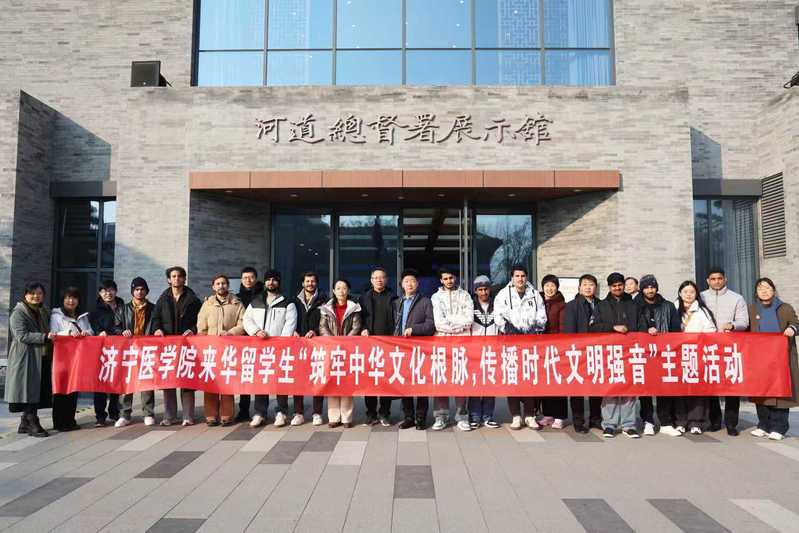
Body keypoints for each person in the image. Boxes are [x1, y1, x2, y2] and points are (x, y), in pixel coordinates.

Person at [493, 264, 547, 430]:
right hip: (511, 342)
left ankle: (530, 415)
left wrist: (534, 328)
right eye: (517, 276)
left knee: (529, 378)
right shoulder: (503, 294)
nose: (520, 279)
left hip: (530, 342)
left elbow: (542, 316)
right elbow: (498, 316)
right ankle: (516, 415)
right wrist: (509, 330)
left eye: (523, 276)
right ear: (512, 277)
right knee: (513, 378)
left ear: (526, 277)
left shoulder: (534, 294)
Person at [243, 269, 297, 428]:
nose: (271, 282)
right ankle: (260, 413)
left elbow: (290, 324)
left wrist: (281, 342)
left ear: (279, 282)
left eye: (274, 280)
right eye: (268, 280)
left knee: (280, 380)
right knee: (261, 380)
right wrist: (256, 331)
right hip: (260, 348)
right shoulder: (256, 301)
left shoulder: (287, 302)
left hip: (280, 349)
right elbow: (247, 320)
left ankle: (281, 412)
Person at [748, 277, 799, 440]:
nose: (764, 291)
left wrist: (792, 328)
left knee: (780, 393)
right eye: (760, 288)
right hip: (760, 359)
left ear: (774, 290)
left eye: (767, 288)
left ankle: (779, 427)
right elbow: (746, 329)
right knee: (762, 391)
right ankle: (763, 425)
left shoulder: (785, 308)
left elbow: (796, 323)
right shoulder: (752, 309)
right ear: (756, 292)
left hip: (781, 358)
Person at [701, 267, 749, 436]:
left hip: (729, 347)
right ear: (708, 281)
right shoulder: (701, 297)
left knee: (731, 386)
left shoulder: (737, 298)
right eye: (713, 279)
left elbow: (744, 321)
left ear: (725, 279)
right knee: (711, 385)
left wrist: (733, 325)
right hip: (708, 347)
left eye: (719, 278)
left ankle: (731, 423)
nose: (716, 281)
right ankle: (714, 421)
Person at [594, 273, 643, 439]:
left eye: (620, 285)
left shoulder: (634, 304)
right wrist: (612, 327)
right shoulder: (601, 305)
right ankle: (609, 424)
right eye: (614, 286)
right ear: (609, 287)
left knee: (629, 389)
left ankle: (629, 425)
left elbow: (641, 325)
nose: (617, 288)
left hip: (630, 352)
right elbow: (594, 327)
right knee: (611, 389)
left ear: (624, 285)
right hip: (609, 353)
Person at [633, 275, 682, 436]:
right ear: (642, 289)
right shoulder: (635, 305)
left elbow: (675, 330)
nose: (650, 290)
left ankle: (665, 422)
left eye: (652, 287)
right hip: (643, 353)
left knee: (664, 387)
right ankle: (648, 421)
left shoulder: (668, 306)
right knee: (645, 389)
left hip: (664, 353)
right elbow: (632, 327)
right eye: (646, 287)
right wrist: (645, 330)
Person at [153, 266, 202, 426]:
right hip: (167, 346)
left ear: (184, 278)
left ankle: (188, 416)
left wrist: (193, 330)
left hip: (187, 344)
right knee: (169, 380)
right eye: (173, 276)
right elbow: (155, 318)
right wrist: (157, 329)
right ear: (169, 279)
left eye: (180, 276)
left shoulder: (193, 299)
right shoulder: (163, 299)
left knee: (186, 380)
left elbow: (201, 320)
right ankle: (169, 416)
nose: (177, 279)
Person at [5, 282, 54, 438]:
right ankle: (32, 422)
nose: (36, 296)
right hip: (25, 357)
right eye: (32, 293)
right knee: (28, 389)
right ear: (25, 295)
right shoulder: (18, 313)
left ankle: (24, 423)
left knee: (35, 389)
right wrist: (44, 337)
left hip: (41, 356)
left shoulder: (43, 311)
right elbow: (21, 335)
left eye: (39, 293)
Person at [197, 274, 245, 427]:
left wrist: (231, 332)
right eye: (217, 284)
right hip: (210, 349)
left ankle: (227, 415)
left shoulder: (237, 303)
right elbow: (201, 325)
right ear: (213, 287)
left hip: (229, 349)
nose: (221, 286)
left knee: (227, 381)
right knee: (210, 381)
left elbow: (243, 323)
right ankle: (211, 415)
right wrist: (203, 340)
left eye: (223, 283)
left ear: (228, 285)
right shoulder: (207, 304)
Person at [431, 267, 473, 431]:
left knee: (460, 379)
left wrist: (451, 324)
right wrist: (458, 325)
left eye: (451, 277)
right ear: (441, 280)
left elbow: (469, 319)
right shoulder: (435, 297)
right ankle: (441, 416)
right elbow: (438, 322)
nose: (449, 281)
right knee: (441, 379)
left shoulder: (465, 295)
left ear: (456, 278)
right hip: (441, 344)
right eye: (446, 278)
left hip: (461, 344)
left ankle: (462, 416)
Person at [394, 269, 435, 430]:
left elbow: (431, 325)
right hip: (401, 349)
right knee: (405, 384)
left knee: (421, 383)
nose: (409, 284)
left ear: (417, 284)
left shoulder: (425, 302)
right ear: (402, 285)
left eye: (412, 281)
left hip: (419, 349)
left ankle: (421, 417)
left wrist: (414, 329)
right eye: (406, 281)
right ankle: (408, 417)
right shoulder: (397, 302)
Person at [319, 279, 362, 428]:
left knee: (346, 383)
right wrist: (333, 341)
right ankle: (333, 417)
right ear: (333, 291)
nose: (341, 291)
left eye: (344, 288)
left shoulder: (354, 308)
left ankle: (346, 418)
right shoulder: (326, 308)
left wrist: (344, 342)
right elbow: (322, 327)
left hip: (348, 350)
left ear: (348, 290)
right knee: (332, 382)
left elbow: (356, 327)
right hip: (331, 349)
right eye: (338, 288)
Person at [564, 274, 603, 433]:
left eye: (591, 285)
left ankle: (595, 419)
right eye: (585, 284)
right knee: (577, 388)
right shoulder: (572, 306)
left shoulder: (601, 304)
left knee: (596, 387)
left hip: (597, 351)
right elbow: (569, 331)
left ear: (595, 288)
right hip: (578, 352)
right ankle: (578, 421)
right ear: (579, 287)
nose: (588, 287)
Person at [677, 280, 717, 434]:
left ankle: (697, 422)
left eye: (692, 292)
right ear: (680, 293)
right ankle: (680, 421)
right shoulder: (673, 308)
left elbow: (711, 332)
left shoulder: (703, 312)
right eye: (685, 292)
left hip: (697, 355)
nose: (688, 295)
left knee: (697, 389)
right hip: (678, 355)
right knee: (679, 390)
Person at [116, 277, 157, 426]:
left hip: (146, 349)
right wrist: (122, 331)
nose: (139, 292)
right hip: (128, 350)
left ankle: (148, 413)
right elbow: (116, 327)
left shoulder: (153, 308)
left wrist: (157, 330)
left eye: (142, 289)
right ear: (132, 291)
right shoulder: (123, 308)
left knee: (147, 381)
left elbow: (157, 324)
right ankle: (124, 415)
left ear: (146, 291)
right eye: (137, 289)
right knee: (127, 382)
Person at [50, 286, 92, 431]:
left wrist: (86, 333)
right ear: (63, 300)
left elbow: (91, 331)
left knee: (73, 387)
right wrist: (68, 333)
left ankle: (70, 420)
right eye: (68, 298)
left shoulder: (83, 316)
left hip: (77, 358)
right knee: (61, 389)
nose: (71, 301)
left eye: (74, 298)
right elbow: (53, 333)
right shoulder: (56, 316)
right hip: (62, 358)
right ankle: (59, 422)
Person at [359, 267, 397, 426]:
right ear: (371, 280)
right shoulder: (363, 298)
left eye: (382, 277)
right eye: (376, 278)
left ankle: (385, 413)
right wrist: (362, 329)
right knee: (370, 380)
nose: (379, 280)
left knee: (386, 380)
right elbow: (359, 318)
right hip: (369, 346)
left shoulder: (394, 298)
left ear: (386, 280)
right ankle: (371, 413)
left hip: (388, 345)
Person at [291, 271, 327, 426]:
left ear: (316, 283)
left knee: (317, 377)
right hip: (298, 344)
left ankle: (317, 413)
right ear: (302, 283)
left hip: (317, 344)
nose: (310, 284)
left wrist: (315, 331)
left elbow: (326, 321)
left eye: (313, 281)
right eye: (307, 281)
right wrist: (293, 330)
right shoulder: (294, 300)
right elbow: (290, 318)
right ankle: (298, 413)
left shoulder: (324, 300)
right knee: (298, 379)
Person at [89, 279, 125, 427]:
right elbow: (92, 328)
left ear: (116, 291)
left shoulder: (123, 307)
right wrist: (99, 332)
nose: (108, 293)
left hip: (119, 349)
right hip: (102, 351)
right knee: (101, 383)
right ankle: (100, 416)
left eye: (110, 290)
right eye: (104, 291)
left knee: (117, 381)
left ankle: (114, 412)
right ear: (100, 293)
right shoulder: (95, 310)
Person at [468, 275, 499, 429]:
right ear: (475, 291)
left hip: (492, 350)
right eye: (480, 289)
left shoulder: (497, 305)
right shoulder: (470, 306)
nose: (483, 292)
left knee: (489, 383)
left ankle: (488, 415)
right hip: (475, 350)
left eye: (486, 289)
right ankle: (474, 415)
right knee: (475, 384)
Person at [235, 266, 263, 422]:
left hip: (259, 339)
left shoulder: (262, 296)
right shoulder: (236, 298)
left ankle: (260, 410)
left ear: (256, 279)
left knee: (260, 376)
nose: (248, 280)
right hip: (241, 341)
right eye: (245, 277)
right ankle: (243, 410)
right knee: (244, 376)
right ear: (241, 279)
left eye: (251, 277)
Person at [539, 274, 567, 429]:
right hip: (541, 348)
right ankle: (548, 414)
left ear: (557, 288)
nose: (549, 288)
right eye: (547, 285)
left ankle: (560, 416)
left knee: (557, 381)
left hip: (556, 347)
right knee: (545, 381)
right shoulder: (537, 301)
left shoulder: (561, 304)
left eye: (552, 286)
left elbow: (562, 328)